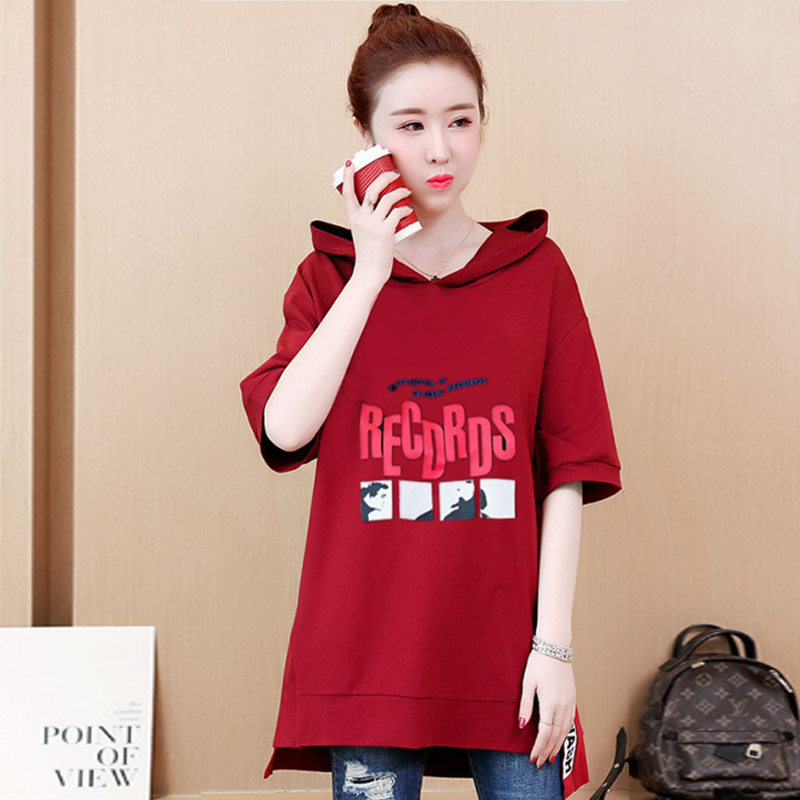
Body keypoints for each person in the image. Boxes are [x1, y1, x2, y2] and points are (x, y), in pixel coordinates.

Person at [239, 4, 622, 799]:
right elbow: (283, 431)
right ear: (366, 136)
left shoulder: (537, 272)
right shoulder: (330, 278)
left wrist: (554, 648)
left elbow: (569, 471)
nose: (441, 149)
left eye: (460, 120)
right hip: (367, 657)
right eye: (411, 126)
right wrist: (372, 271)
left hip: (510, 656)